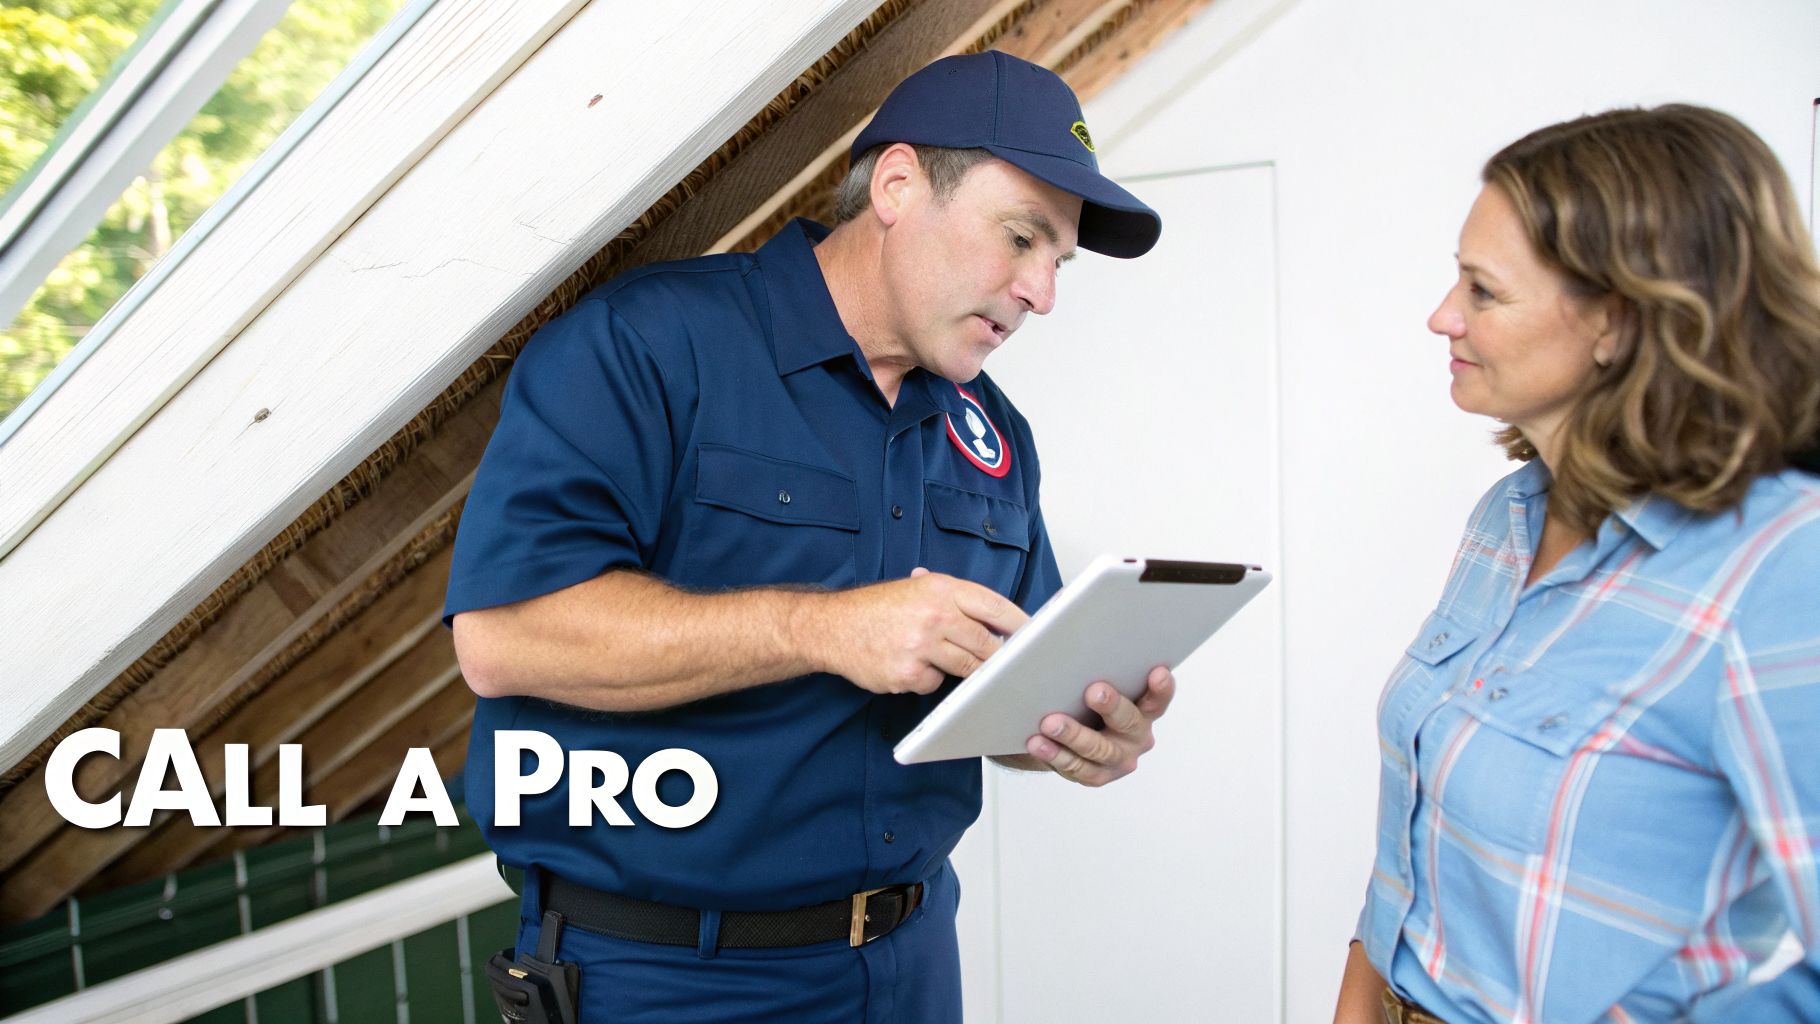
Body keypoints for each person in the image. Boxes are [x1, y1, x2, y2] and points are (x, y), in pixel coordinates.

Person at [443, 51, 1171, 1022]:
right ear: (898, 184)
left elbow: (995, 685)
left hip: (908, 961)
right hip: (667, 976)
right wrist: (818, 629)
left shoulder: (992, 435)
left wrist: (1065, 731)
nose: (1040, 291)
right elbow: (501, 639)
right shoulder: (648, 345)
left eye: (1056, 261)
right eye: (1020, 238)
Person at [1334, 104, 1820, 1024]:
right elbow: (1421, 816)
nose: (1443, 317)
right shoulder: (1507, 516)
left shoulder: (1784, 565)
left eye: (1484, 291)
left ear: (1619, 321)